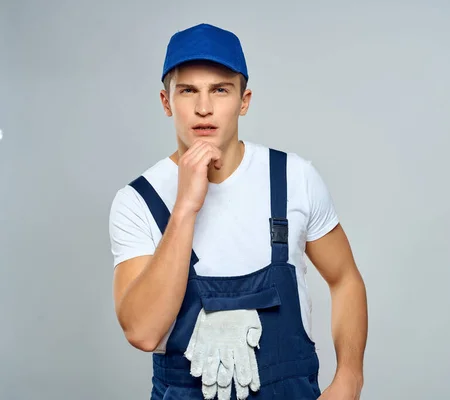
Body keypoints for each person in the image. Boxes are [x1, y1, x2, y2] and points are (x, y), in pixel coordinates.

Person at [108, 22, 368, 400]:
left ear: (243, 100)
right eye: (188, 91)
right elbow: (143, 331)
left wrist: (350, 378)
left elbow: (345, 280)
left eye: (220, 90)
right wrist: (185, 207)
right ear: (167, 103)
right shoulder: (137, 202)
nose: (203, 107)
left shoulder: (293, 178)